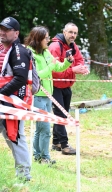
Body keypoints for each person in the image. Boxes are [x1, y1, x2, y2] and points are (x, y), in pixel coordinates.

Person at [24, 26, 74, 163]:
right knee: (45, 128)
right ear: (38, 39)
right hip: (37, 96)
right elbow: (37, 76)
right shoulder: (30, 54)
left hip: (47, 96)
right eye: (46, 38)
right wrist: (51, 66)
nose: (48, 40)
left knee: (41, 129)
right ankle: (44, 157)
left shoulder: (46, 52)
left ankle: (38, 155)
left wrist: (67, 62)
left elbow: (58, 67)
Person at [48, 22, 89, 155]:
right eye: (70, 32)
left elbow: (79, 60)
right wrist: (73, 70)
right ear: (64, 32)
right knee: (60, 115)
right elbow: (54, 71)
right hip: (55, 86)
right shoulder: (55, 46)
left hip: (67, 85)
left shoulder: (73, 46)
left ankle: (56, 142)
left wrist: (82, 68)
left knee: (63, 114)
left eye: (75, 33)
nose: (73, 35)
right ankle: (65, 146)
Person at [0, 16, 32, 181]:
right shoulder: (2, 49)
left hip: (13, 101)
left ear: (16, 33)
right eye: (1, 29)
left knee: (15, 137)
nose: (2, 32)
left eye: (7, 29)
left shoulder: (19, 51)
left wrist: (1, 93)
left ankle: (24, 176)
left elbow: (20, 78)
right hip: (3, 100)